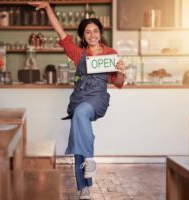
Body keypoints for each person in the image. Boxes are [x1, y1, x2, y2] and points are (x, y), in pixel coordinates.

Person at [29, 2, 125, 199]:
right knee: (79, 131)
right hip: (79, 97)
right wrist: (48, 7)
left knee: (81, 115)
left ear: (100, 33)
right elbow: (60, 32)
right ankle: (84, 187)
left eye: (95, 31)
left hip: (97, 98)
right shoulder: (78, 53)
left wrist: (122, 71)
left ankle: (89, 160)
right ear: (83, 36)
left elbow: (118, 82)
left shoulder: (111, 54)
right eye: (88, 32)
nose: (92, 35)